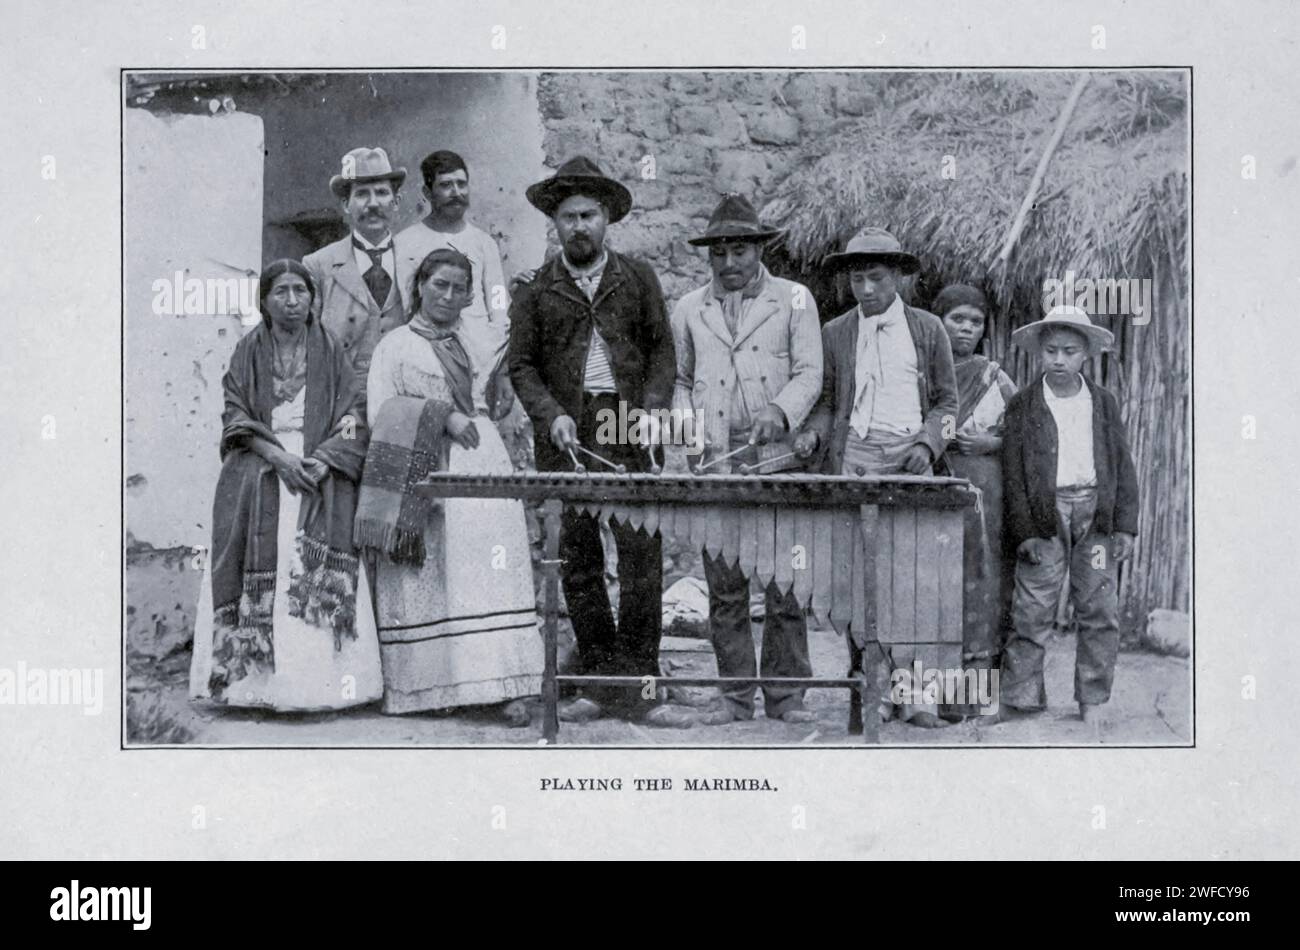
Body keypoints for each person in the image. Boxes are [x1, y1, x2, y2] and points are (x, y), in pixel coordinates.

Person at [507, 156, 691, 729]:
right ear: (554, 223)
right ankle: (597, 681)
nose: (579, 226)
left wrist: (653, 413)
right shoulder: (536, 290)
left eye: (589, 215)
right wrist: (551, 415)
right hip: (567, 435)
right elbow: (522, 367)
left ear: (607, 218)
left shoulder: (637, 278)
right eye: (568, 217)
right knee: (579, 560)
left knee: (640, 557)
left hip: (627, 429)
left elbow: (662, 353)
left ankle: (641, 685)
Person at [356, 249, 542, 724]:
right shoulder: (395, 346)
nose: (449, 295)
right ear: (419, 285)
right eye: (439, 284)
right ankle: (429, 689)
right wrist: (443, 416)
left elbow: (502, 389)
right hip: (421, 467)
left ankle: (502, 686)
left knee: (486, 572)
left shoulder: (479, 340)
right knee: (432, 572)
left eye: (460, 288)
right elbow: (380, 413)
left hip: (481, 458)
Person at [189, 259, 382, 711]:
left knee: (301, 566)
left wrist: (326, 459)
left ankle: (316, 689)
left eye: (301, 291)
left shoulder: (332, 350)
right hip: (260, 467)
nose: (292, 300)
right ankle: (250, 688)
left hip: (317, 473)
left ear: (313, 299)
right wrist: (277, 457)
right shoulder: (247, 351)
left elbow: (353, 418)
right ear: (264, 300)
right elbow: (235, 415)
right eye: (281, 291)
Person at [795, 227, 959, 729]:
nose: (866, 290)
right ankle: (873, 691)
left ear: (900, 278)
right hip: (855, 460)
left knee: (914, 581)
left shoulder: (929, 329)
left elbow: (949, 406)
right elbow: (825, 404)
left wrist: (927, 444)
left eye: (878, 278)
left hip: (910, 461)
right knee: (860, 583)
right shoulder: (835, 333)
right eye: (858, 279)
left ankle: (918, 696)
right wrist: (814, 437)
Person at [670, 193, 823, 725]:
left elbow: (810, 373)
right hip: (717, 459)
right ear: (708, 256)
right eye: (720, 254)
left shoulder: (796, 300)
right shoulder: (690, 309)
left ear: (759, 249)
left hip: (777, 459)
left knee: (784, 583)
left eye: (740, 251)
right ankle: (734, 695)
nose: (730, 264)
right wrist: (690, 436)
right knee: (726, 588)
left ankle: (786, 696)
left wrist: (780, 413)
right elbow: (682, 380)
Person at [994, 305, 1138, 726]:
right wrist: (1025, 532)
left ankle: (1092, 698)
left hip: (1095, 517)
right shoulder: (1023, 405)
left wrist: (1124, 525)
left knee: (1098, 607)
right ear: (1039, 351)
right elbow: (1014, 473)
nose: (1059, 359)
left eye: (1070, 352)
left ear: (1086, 354)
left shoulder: (1103, 403)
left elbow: (1122, 463)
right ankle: (1021, 697)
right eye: (1052, 350)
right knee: (1032, 608)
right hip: (1045, 515)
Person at [930, 284, 1018, 719]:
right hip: (936, 491)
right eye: (956, 319)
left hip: (986, 495)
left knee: (982, 586)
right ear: (938, 321)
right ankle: (933, 698)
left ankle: (976, 696)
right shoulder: (922, 372)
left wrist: (990, 442)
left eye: (975, 321)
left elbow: (1025, 435)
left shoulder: (993, 376)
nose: (966, 328)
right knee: (934, 587)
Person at [303, 147, 410, 377]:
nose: (372, 204)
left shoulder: (417, 261)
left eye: (381, 193)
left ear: (397, 201)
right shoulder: (318, 266)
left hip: (404, 396)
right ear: (345, 204)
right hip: (344, 397)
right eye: (362, 194)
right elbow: (306, 344)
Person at [395, 150, 509, 362]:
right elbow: (404, 306)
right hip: (426, 353)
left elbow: (498, 301)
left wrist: (499, 353)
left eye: (461, 184)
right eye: (446, 185)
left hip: (478, 353)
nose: (456, 192)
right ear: (427, 193)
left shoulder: (485, 243)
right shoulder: (405, 243)